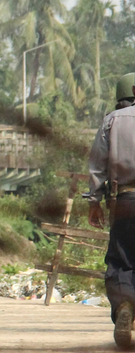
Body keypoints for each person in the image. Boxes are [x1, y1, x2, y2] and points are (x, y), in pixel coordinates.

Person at [88, 72, 135, 349]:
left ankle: (124, 307)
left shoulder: (112, 120)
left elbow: (97, 165)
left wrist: (94, 201)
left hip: (125, 201)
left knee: (120, 260)